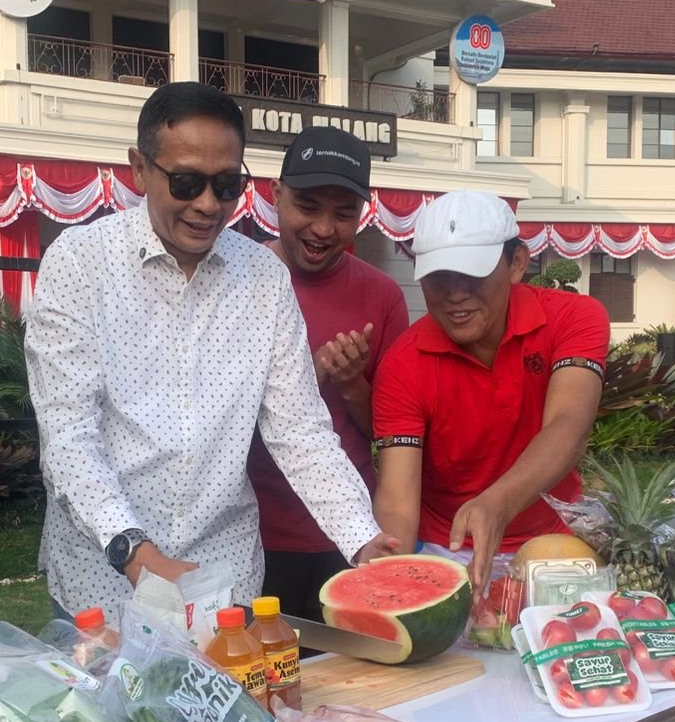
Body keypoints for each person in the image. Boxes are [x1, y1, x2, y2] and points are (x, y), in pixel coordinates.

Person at [23, 81, 396, 616]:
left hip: (225, 574)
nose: (206, 205)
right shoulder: (80, 262)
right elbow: (68, 436)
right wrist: (132, 549)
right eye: (185, 182)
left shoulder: (264, 276)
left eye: (225, 186)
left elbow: (301, 432)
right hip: (104, 577)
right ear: (139, 168)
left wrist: (363, 539)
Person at [371, 190, 609, 591]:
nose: (455, 293)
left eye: (472, 273)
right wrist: (387, 581)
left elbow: (569, 425)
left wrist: (496, 503)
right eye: (438, 276)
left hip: (552, 544)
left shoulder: (574, 317)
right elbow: (397, 500)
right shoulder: (402, 363)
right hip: (448, 550)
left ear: (517, 263)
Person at [247, 126, 408, 619]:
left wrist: (352, 385)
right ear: (274, 194)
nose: (323, 228)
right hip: (249, 535)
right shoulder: (234, 281)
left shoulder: (383, 296)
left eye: (343, 214)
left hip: (348, 535)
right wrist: (303, 380)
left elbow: (392, 435)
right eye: (307, 206)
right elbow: (205, 425)